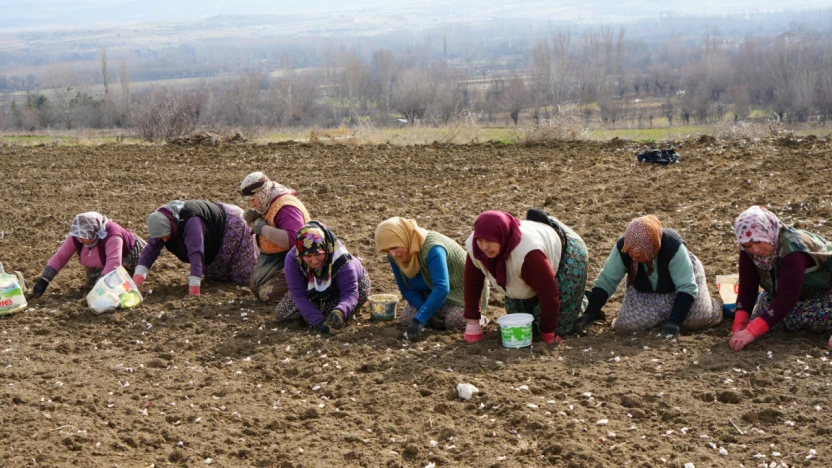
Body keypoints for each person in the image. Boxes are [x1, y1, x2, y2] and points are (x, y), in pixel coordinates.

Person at [574, 215, 721, 337]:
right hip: (647, 290)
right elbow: (607, 280)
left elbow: (686, 287)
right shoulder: (624, 248)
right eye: (634, 255)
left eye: (642, 255)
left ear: (654, 246)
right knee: (626, 327)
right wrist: (590, 313)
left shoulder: (673, 247)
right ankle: (665, 315)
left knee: (699, 319)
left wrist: (674, 322)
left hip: (680, 288)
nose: (636, 259)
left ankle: (716, 307)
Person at [463, 209, 588, 344]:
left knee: (559, 324)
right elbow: (472, 284)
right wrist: (473, 324)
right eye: (480, 240)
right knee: (519, 315)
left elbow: (549, 292)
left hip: (567, 252)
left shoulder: (528, 253)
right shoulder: (475, 248)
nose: (484, 247)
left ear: (501, 236)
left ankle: (584, 301)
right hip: (527, 269)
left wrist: (548, 333)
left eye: (489, 241)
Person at [729, 206, 832, 351]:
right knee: (765, 312)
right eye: (748, 245)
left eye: (758, 241)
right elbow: (747, 288)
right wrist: (739, 326)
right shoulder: (748, 250)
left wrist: (751, 331)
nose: (755, 250)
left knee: (793, 317)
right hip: (792, 291)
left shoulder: (793, 249)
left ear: (767, 231)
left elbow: (786, 299)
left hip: (824, 289)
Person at [375, 217, 488, 341]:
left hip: (462, 293)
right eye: (388, 250)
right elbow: (405, 288)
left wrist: (420, 319)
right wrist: (426, 311)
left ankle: (480, 318)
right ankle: (434, 313)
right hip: (430, 291)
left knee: (455, 320)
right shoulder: (395, 257)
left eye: (395, 247)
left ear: (403, 236)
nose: (393, 253)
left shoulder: (433, 248)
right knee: (407, 318)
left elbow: (442, 287)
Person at [133, 200, 257, 295]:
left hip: (232, 226)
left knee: (243, 276)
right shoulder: (159, 224)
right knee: (217, 278)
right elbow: (150, 251)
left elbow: (196, 253)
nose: (164, 240)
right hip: (213, 238)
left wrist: (194, 291)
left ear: (171, 226)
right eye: (161, 238)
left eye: (166, 236)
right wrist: (137, 282)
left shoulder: (191, 221)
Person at [276, 221, 370, 334]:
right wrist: (318, 322)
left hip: (344, 288)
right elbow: (298, 294)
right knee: (282, 312)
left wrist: (340, 311)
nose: (314, 261)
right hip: (312, 288)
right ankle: (317, 313)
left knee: (334, 313)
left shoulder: (342, 261)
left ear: (325, 247)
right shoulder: (293, 259)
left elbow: (350, 293)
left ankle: (339, 311)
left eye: (318, 254)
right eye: (308, 256)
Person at [31, 212, 146, 298]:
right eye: (78, 237)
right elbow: (61, 256)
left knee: (119, 288)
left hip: (129, 255)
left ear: (94, 232)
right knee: (91, 287)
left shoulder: (113, 235)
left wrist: (99, 289)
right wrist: (44, 279)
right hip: (101, 258)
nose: (80, 240)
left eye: (84, 237)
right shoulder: (78, 235)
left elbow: (113, 264)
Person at [239, 172, 310, 304]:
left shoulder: (286, 207)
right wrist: (256, 221)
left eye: (253, 200)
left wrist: (261, 228)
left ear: (262, 193)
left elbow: (294, 239)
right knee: (256, 286)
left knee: (268, 293)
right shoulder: (269, 202)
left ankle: (308, 291)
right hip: (277, 259)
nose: (252, 205)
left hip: (296, 259)